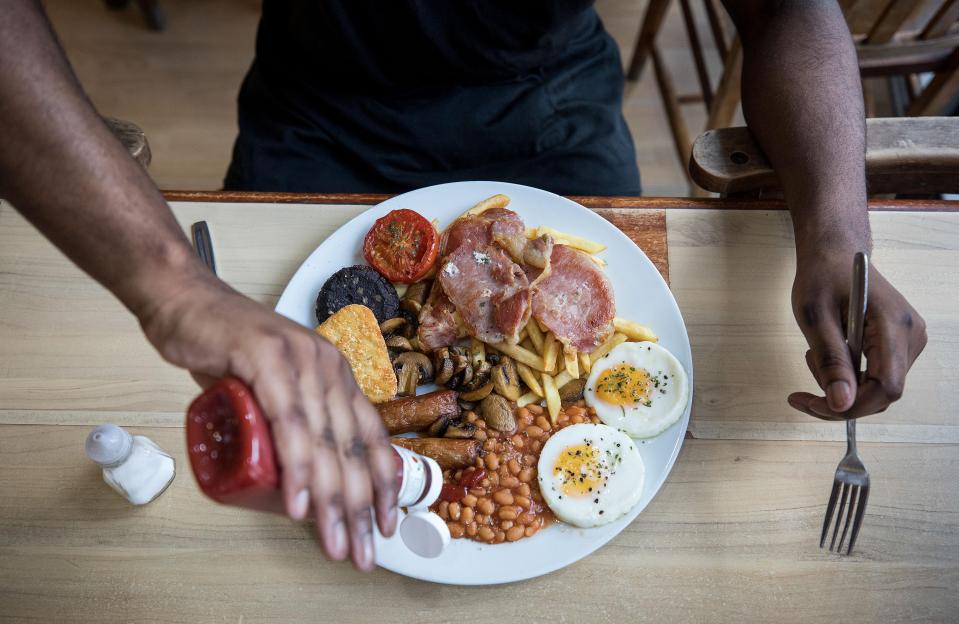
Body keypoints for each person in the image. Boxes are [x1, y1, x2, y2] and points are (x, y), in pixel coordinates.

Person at [0, 1, 927, 572]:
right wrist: (172, 283)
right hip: (317, 108)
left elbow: (781, 9)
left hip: (548, 108)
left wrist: (836, 234)